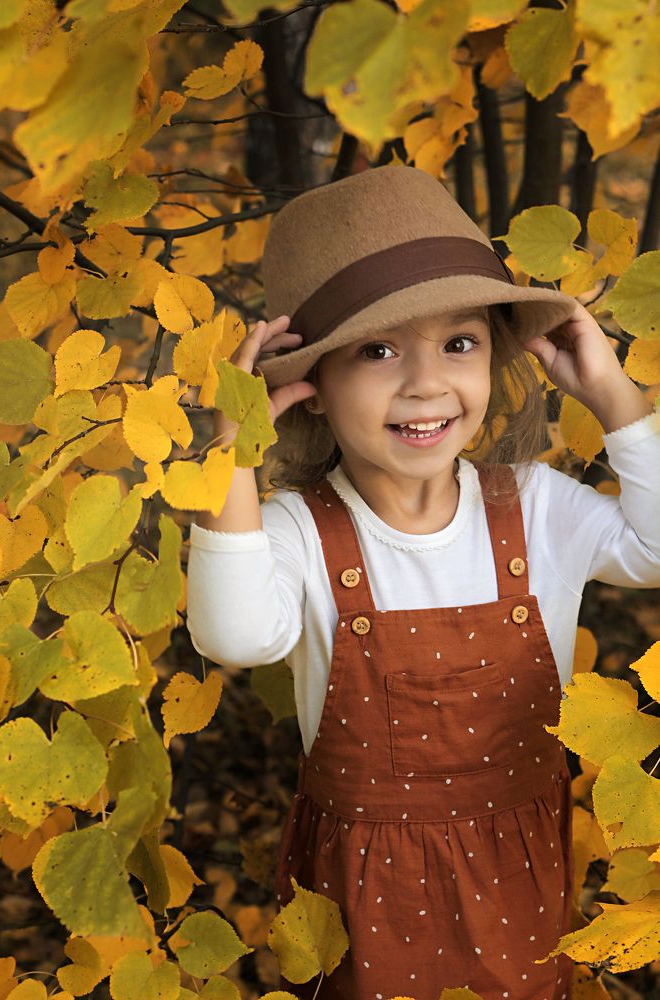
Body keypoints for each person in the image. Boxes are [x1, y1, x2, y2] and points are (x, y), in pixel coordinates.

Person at [186, 165, 660, 1000]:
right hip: (369, 901)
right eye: (377, 350)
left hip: (522, 885)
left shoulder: (538, 511)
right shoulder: (300, 531)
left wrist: (615, 395)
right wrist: (230, 452)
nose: (426, 382)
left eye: (460, 342)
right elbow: (233, 635)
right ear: (310, 388)